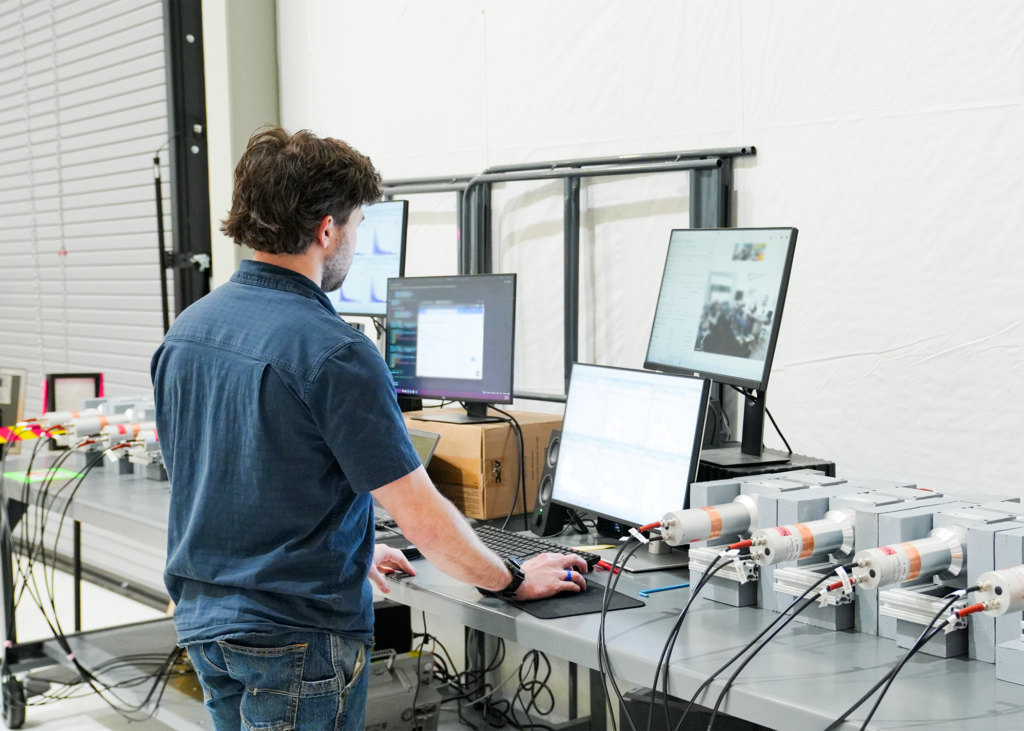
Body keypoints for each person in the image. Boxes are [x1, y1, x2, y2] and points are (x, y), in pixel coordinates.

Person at [150, 128, 587, 731]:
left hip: (206, 621)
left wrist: (346, 548)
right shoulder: (335, 352)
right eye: (355, 225)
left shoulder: (187, 331)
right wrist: (512, 579)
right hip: (296, 638)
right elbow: (420, 517)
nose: (352, 241)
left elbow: (227, 482)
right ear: (327, 230)